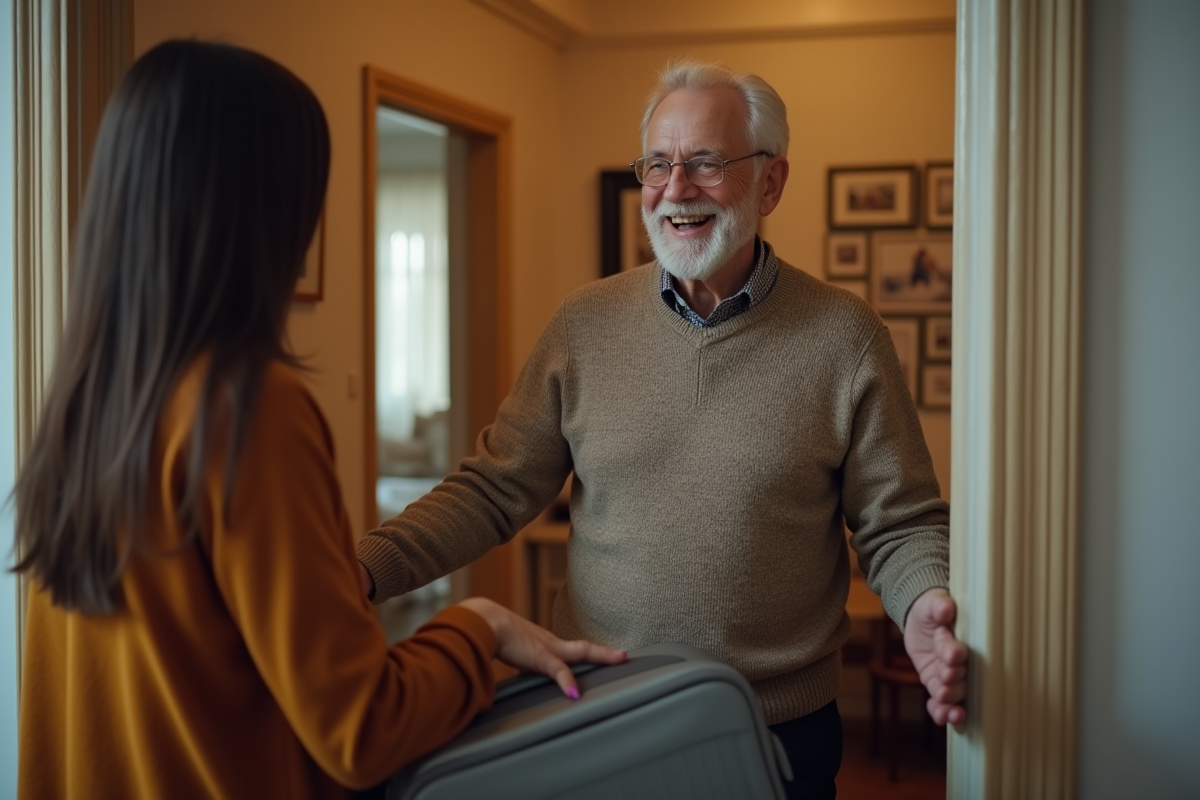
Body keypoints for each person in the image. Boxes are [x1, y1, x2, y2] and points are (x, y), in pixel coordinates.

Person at [11, 40, 623, 800]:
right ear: (265, 206)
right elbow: (360, 729)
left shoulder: (84, 398)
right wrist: (480, 628)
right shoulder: (244, 407)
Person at [355, 59, 967, 799]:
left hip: (780, 730)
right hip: (602, 711)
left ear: (770, 182)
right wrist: (358, 572)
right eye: (659, 164)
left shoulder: (846, 336)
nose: (676, 189)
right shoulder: (582, 323)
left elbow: (897, 524)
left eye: (706, 163)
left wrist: (922, 602)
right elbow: (493, 489)